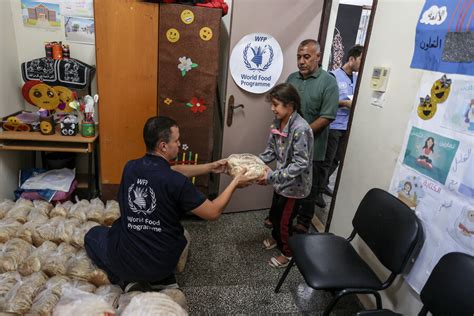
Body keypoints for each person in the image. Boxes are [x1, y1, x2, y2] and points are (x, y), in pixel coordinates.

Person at [84, 116, 255, 292]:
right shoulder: (176, 182)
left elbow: (172, 170)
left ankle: (126, 279)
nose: (179, 144)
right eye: (176, 140)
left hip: (128, 260)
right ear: (163, 146)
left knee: (93, 234)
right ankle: (157, 279)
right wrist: (235, 182)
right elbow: (213, 212)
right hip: (162, 264)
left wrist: (211, 167)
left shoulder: (130, 167)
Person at [286, 39, 339, 233]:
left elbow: (327, 116)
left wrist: (301, 133)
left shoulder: (328, 82)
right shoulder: (292, 78)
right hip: (289, 146)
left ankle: (303, 222)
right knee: (287, 183)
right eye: (299, 57)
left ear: (318, 56)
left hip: (313, 149)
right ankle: (282, 218)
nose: (301, 61)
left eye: (306, 57)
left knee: (307, 189)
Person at [258, 83, 314, 268]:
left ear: (290, 105)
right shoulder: (277, 123)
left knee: (285, 222)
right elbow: (271, 151)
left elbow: (300, 163)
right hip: (281, 182)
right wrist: (254, 164)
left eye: (275, 104)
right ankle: (277, 239)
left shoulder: (301, 129)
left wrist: (271, 177)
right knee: (274, 215)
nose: (272, 108)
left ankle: (287, 254)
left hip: (294, 187)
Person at [322, 45, 364, 197]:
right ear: (351, 59)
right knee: (327, 160)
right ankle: (318, 190)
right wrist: (344, 103)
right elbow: (326, 101)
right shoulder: (333, 76)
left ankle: (324, 184)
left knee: (336, 160)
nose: (363, 62)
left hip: (347, 126)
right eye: (361, 59)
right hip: (333, 125)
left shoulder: (358, 78)